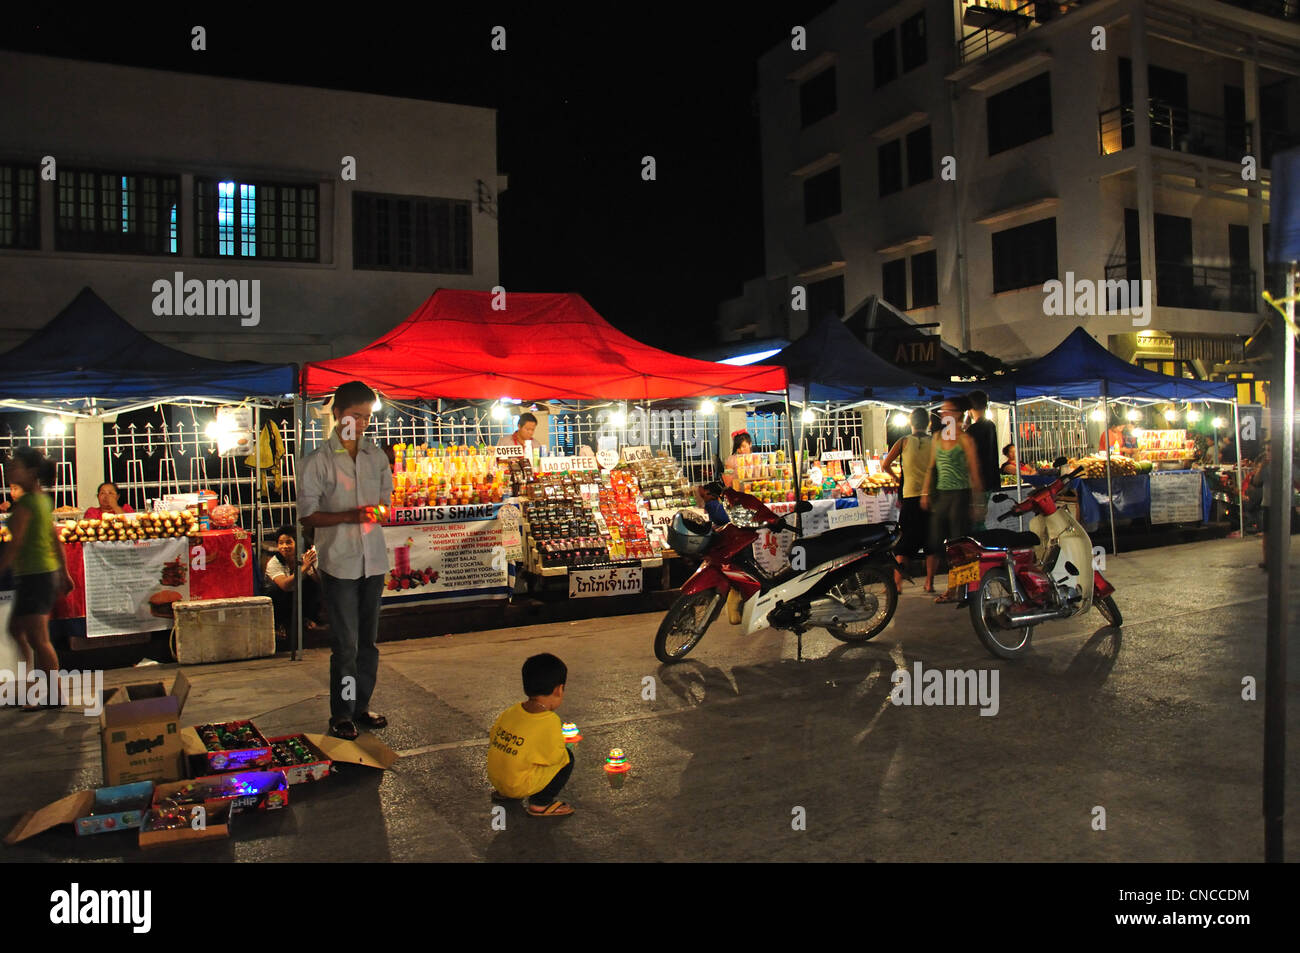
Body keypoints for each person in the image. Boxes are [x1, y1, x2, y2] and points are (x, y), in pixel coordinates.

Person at [298, 380, 393, 740]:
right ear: (337, 414)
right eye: (356, 416)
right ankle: (342, 713)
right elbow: (308, 515)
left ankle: (361, 706)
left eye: (367, 417)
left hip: (374, 561)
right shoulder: (317, 462)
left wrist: (376, 512)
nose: (362, 423)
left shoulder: (376, 457)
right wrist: (351, 516)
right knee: (346, 645)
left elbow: (385, 505)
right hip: (339, 563)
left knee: (368, 643)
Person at [0, 449, 74, 709]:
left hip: (36, 576)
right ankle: (32, 685)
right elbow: (54, 538)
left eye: (16, 466)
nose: (11, 470)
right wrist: (64, 572)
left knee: (39, 639)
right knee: (16, 630)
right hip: (39, 574)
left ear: (31, 472)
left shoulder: (29, 504)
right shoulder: (41, 500)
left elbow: (15, 545)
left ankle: (53, 694)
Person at [488, 653, 575, 817]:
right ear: (558, 690)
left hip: (497, 780)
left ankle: (505, 792)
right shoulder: (549, 721)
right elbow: (555, 758)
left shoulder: (511, 711)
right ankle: (540, 803)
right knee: (567, 757)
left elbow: (493, 737)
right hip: (518, 786)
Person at [922, 396, 984, 604]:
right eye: (943, 411)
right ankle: (958, 586)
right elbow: (931, 467)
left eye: (948, 411)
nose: (944, 414)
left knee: (958, 543)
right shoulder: (937, 438)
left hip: (960, 495)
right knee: (937, 541)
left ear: (957, 415)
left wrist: (977, 502)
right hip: (943, 495)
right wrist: (925, 492)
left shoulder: (965, 439)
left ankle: (957, 588)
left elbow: (974, 472)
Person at [882, 408, 935, 591]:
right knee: (931, 542)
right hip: (931, 497)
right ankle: (929, 583)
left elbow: (885, 464)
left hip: (910, 497)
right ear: (928, 423)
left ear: (911, 422)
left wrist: (897, 479)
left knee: (904, 542)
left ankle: (897, 584)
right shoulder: (935, 442)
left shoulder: (903, 441)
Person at [264, 524, 326, 640]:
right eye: (281, 543)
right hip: (282, 600)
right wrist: (304, 568)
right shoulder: (274, 563)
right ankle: (279, 625)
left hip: (298, 598)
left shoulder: (304, 557)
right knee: (275, 590)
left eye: (289, 542)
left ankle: (309, 619)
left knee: (313, 586)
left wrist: (313, 566)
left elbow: (319, 582)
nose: (284, 546)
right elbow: (285, 585)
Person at [965, 390, 1000, 530]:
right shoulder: (990, 425)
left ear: (970, 408)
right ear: (985, 406)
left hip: (977, 483)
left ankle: (980, 543)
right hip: (988, 480)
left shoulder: (973, 430)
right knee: (979, 520)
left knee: (975, 522)